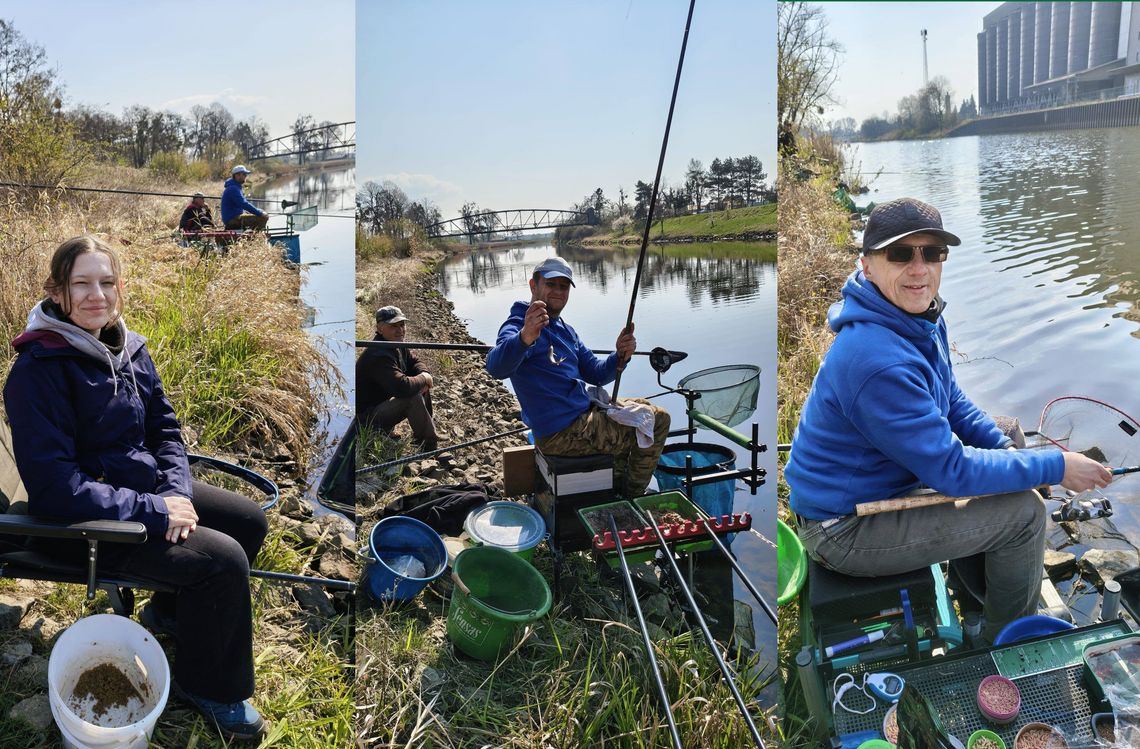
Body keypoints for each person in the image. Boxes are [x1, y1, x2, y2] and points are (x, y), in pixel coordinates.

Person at [784, 197, 1112, 645]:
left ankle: (977, 598)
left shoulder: (919, 316)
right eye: (900, 253)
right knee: (1025, 514)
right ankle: (1005, 642)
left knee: (1007, 432)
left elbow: (952, 401)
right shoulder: (874, 361)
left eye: (932, 252)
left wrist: (1008, 450)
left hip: (878, 485)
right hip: (842, 528)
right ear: (868, 266)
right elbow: (953, 471)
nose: (919, 268)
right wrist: (1055, 466)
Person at [3, 235, 270, 740]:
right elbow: (57, 489)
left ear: (120, 287)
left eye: (106, 282)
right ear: (57, 292)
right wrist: (154, 511)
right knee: (223, 562)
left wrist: (177, 493)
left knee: (249, 521)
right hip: (83, 524)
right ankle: (209, 686)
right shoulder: (37, 372)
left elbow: (164, 430)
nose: (96, 295)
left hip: (142, 489)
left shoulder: (128, 348)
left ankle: (171, 614)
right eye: (81, 283)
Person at [485, 256, 670, 497]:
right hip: (560, 433)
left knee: (643, 406)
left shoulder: (566, 330)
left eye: (564, 286)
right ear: (533, 285)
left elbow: (596, 373)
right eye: (551, 284)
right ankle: (633, 495)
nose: (558, 291)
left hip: (581, 415)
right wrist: (525, 337)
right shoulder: (519, 323)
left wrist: (619, 356)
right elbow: (496, 368)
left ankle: (617, 480)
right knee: (659, 419)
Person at [356, 305, 439, 452]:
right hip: (366, 420)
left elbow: (415, 362)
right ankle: (428, 446)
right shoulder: (378, 355)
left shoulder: (396, 344)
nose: (400, 329)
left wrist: (424, 374)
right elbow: (403, 387)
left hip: (380, 407)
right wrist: (424, 378)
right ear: (380, 328)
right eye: (393, 326)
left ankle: (426, 431)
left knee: (419, 383)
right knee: (412, 396)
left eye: (402, 324)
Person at [221, 165, 268, 231]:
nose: (246, 176)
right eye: (244, 174)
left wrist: (258, 211)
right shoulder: (233, 189)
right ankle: (256, 235)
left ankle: (253, 233)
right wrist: (260, 213)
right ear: (237, 175)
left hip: (234, 217)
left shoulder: (235, 187)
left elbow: (240, 205)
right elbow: (243, 204)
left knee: (261, 212)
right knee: (263, 217)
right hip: (232, 220)